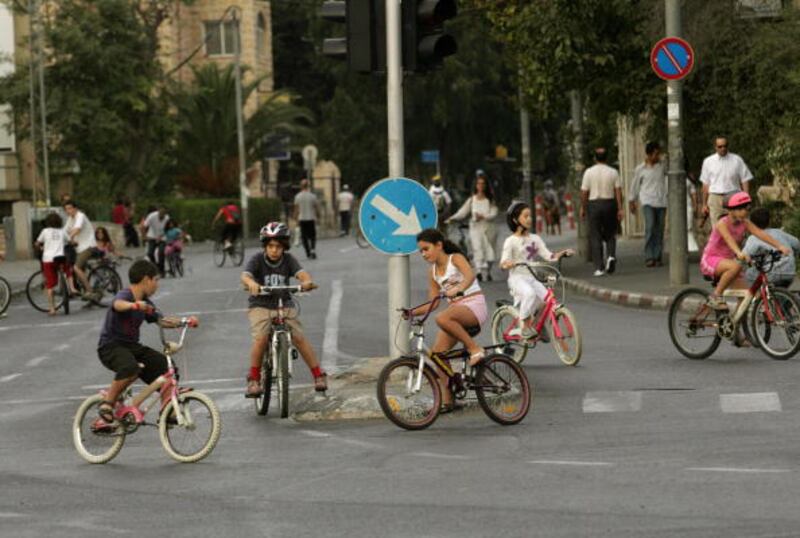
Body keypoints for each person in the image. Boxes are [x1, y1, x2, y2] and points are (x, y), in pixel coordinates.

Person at [93, 259, 194, 430]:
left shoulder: (146, 302)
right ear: (146, 279)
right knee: (130, 367)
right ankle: (107, 403)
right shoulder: (127, 295)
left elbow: (161, 320)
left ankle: (166, 412)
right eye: (156, 280)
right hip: (111, 346)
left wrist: (184, 321)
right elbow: (117, 304)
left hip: (132, 346)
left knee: (167, 368)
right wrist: (134, 305)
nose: (157, 285)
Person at [404, 228, 488, 411]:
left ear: (439, 245)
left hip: (474, 306)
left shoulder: (455, 258)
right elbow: (433, 303)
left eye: (426, 249)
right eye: (421, 251)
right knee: (437, 354)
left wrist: (459, 290)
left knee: (442, 317)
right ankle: (449, 401)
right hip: (456, 312)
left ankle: (475, 349)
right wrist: (412, 312)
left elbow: (470, 275)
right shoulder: (432, 272)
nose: (423, 254)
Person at [241, 222, 328, 395]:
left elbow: (302, 274)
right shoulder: (257, 259)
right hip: (261, 305)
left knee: (299, 338)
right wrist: (251, 283)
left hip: (284, 303)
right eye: (271, 246)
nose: (274, 250)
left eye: (278, 247)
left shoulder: (288, 260)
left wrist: (306, 282)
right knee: (261, 338)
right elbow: (246, 275)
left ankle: (318, 375)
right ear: (265, 246)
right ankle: (254, 379)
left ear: (284, 247)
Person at [700, 192, 790, 309]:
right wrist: (739, 253)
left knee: (745, 298)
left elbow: (761, 234)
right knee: (736, 266)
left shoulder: (745, 223)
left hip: (729, 262)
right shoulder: (722, 223)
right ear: (730, 210)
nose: (744, 212)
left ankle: (733, 324)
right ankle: (715, 296)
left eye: (746, 208)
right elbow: (728, 239)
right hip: (711, 260)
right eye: (740, 209)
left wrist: (780, 246)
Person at [500, 202, 573, 339]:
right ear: (516, 220)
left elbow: (549, 256)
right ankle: (524, 326)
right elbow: (503, 263)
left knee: (549, 300)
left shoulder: (535, 239)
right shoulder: (511, 241)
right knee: (530, 294)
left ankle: (537, 324)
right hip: (517, 278)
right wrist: (510, 263)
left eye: (530, 216)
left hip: (532, 277)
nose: (529, 219)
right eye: (525, 216)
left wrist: (562, 253)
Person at [446, 173, 499, 281]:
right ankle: (479, 271)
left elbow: (494, 213)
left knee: (489, 251)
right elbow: (462, 212)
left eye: (483, 184)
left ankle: (488, 271)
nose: (480, 186)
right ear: (476, 185)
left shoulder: (490, 200)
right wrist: (452, 218)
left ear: (486, 185)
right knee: (477, 248)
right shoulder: (472, 200)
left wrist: (484, 216)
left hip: (488, 228)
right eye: (478, 184)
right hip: (475, 228)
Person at [580, 147, 623, 276]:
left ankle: (599, 267)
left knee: (595, 235)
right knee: (610, 233)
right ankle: (610, 256)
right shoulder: (613, 172)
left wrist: (583, 207)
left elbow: (584, 192)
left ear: (595, 158)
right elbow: (618, 191)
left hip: (594, 205)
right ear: (607, 158)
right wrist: (620, 208)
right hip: (610, 203)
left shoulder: (588, 172)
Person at [629, 141, 668, 267]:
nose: (658, 157)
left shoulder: (662, 166)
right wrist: (632, 201)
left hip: (661, 201)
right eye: (656, 154)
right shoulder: (640, 169)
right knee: (650, 227)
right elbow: (634, 185)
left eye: (659, 154)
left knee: (660, 230)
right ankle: (649, 256)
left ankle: (657, 256)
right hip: (647, 201)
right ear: (649, 155)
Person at [700, 136, 754, 224]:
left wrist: (746, 199)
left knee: (736, 224)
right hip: (715, 197)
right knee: (717, 227)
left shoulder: (737, 160)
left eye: (725, 146)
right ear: (715, 147)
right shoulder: (708, 161)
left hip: (734, 196)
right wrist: (704, 204)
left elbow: (745, 179)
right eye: (720, 146)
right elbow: (705, 184)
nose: (723, 148)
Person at [742, 208, 800, 288]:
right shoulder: (779, 232)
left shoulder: (753, 237)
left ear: (752, 224)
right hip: (789, 272)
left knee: (748, 274)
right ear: (769, 221)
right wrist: (794, 255)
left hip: (771, 273)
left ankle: (754, 298)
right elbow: (797, 243)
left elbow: (745, 255)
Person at [34, 212, 76, 315]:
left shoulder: (44, 231)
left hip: (48, 260)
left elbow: (37, 243)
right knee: (68, 269)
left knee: (50, 285)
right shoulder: (62, 231)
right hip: (59, 258)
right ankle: (72, 287)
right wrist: (75, 243)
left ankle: (52, 309)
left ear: (48, 222)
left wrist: (40, 248)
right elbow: (71, 241)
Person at [63, 200, 97, 298]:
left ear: (75, 208)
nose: (68, 211)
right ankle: (83, 290)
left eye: (70, 208)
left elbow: (77, 229)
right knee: (74, 267)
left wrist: (68, 238)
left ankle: (90, 291)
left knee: (76, 267)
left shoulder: (80, 216)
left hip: (88, 246)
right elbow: (64, 231)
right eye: (66, 209)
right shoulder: (70, 219)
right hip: (79, 248)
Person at [293, 179, 319, 259]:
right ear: (308, 186)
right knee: (312, 236)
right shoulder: (312, 196)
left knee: (304, 237)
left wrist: (295, 218)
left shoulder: (298, 196)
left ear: (301, 186)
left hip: (302, 219)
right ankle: (313, 249)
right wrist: (318, 216)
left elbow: (296, 209)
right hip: (311, 218)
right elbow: (316, 208)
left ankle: (308, 252)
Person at [142, 206, 169, 277]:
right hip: (152, 236)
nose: (162, 216)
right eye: (160, 213)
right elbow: (143, 226)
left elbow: (167, 230)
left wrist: (161, 237)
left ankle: (161, 270)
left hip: (162, 238)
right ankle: (155, 267)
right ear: (158, 212)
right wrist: (145, 237)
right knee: (150, 253)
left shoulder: (167, 218)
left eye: (163, 214)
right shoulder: (151, 216)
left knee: (161, 252)